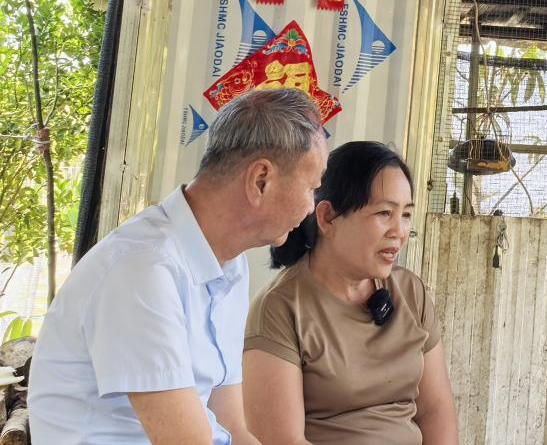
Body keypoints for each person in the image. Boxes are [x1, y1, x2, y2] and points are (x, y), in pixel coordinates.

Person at [29, 88, 328, 445]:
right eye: (312, 187)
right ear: (260, 180)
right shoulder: (144, 269)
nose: (311, 208)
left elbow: (233, 427)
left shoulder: (229, 266)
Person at [243, 140, 458, 445]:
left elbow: (436, 409)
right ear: (328, 217)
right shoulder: (280, 309)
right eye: (384, 213)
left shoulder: (410, 292)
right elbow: (282, 439)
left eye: (406, 215)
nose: (399, 231)